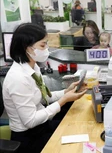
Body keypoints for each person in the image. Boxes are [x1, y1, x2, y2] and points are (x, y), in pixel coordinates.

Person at [2, 23, 87, 153]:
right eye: (43, 45)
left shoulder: (33, 68)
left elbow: (43, 97)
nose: (47, 48)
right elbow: (30, 121)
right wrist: (63, 100)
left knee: (76, 128)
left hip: (41, 126)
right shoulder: (17, 78)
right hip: (29, 138)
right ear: (27, 48)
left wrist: (66, 91)